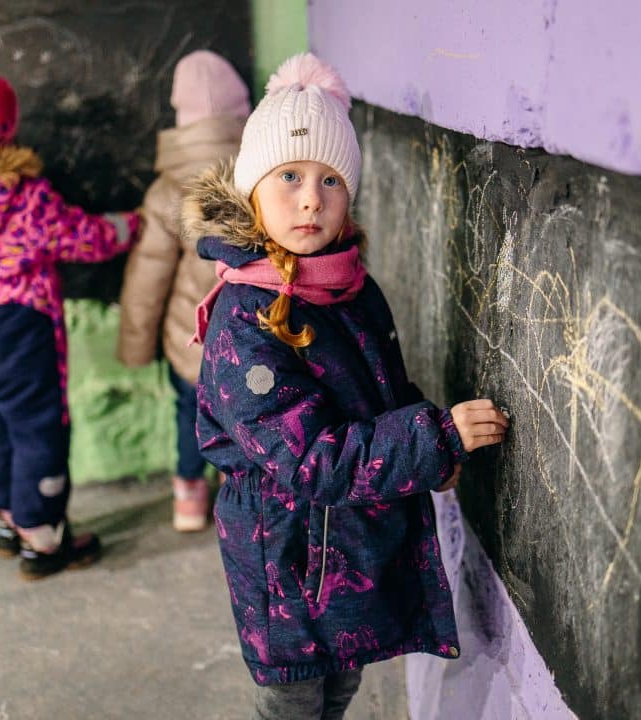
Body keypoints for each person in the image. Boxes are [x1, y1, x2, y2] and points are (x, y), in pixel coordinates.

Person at [181, 53, 509, 719]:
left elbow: (382, 393)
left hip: (348, 556)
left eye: (331, 179)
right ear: (251, 191)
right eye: (290, 176)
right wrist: (433, 438)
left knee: (340, 691)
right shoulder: (245, 324)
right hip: (288, 565)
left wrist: (431, 450)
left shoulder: (350, 286)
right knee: (295, 702)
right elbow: (309, 459)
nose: (311, 197)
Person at [0, 64, 140, 579]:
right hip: (21, 327)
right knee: (38, 428)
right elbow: (84, 238)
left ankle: (9, 517)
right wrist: (130, 224)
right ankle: (42, 538)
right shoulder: (24, 195)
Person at [117, 50, 250, 532]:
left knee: (189, 415)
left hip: (187, 340)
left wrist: (135, 345)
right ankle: (236, 492)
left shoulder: (166, 189)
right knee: (247, 416)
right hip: (251, 337)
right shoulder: (262, 177)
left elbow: (148, 276)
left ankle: (188, 497)